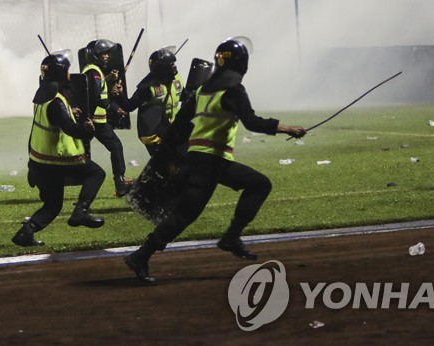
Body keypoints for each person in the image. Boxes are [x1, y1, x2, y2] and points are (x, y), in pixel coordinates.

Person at [123, 37, 306, 285]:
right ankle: (144, 255)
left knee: (248, 188)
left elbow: (178, 127)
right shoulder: (233, 90)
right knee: (193, 211)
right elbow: (252, 122)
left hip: (199, 158)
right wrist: (286, 128)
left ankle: (146, 255)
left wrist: (167, 158)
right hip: (211, 162)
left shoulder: (202, 90)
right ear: (241, 63)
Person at [12, 51, 107, 247]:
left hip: (40, 161)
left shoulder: (41, 96)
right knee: (97, 173)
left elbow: (47, 122)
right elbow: (70, 129)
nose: (70, 75)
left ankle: (25, 233)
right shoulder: (57, 101)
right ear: (61, 73)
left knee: (53, 205)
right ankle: (81, 211)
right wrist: (86, 129)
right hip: (60, 159)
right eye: (68, 70)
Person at [81, 39, 131, 197]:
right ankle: (120, 183)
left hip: (95, 121)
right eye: (103, 53)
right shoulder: (94, 72)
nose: (107, 56)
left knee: (83, 154)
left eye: (108, 53)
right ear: (95, 55)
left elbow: (97, 93)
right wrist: (115, 108)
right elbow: (96, 98)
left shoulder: (95, 71)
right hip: (95, 122)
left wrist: (110, 87)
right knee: (115, 147)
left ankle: (120, 184)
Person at [118, 46, 186, 156]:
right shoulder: (147, 87)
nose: (175, 66)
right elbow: (129, 106)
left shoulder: (177, 79)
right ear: (161, 68)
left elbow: (184, 96)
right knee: (165, 163)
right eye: (171, 65)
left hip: (172, 128)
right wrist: (119, 95)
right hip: (154, 133)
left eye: (174, 63)